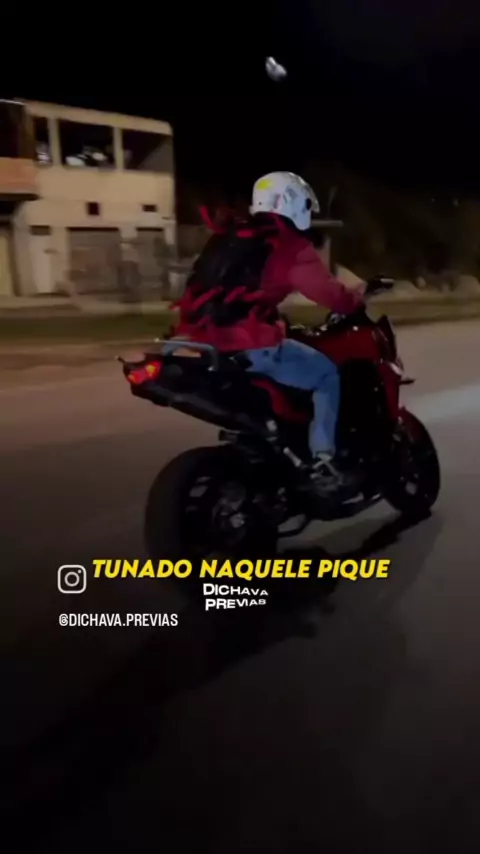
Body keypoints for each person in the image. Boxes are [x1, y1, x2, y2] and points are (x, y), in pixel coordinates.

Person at [171, 171, 365, 492]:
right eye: (305, 205)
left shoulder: (231, 235)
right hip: (251, 344)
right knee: (327, 376)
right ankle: (323, 458)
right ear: (292, 204)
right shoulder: (289, 246)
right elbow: (331, 295)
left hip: (203, 340)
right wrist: (355, 298)